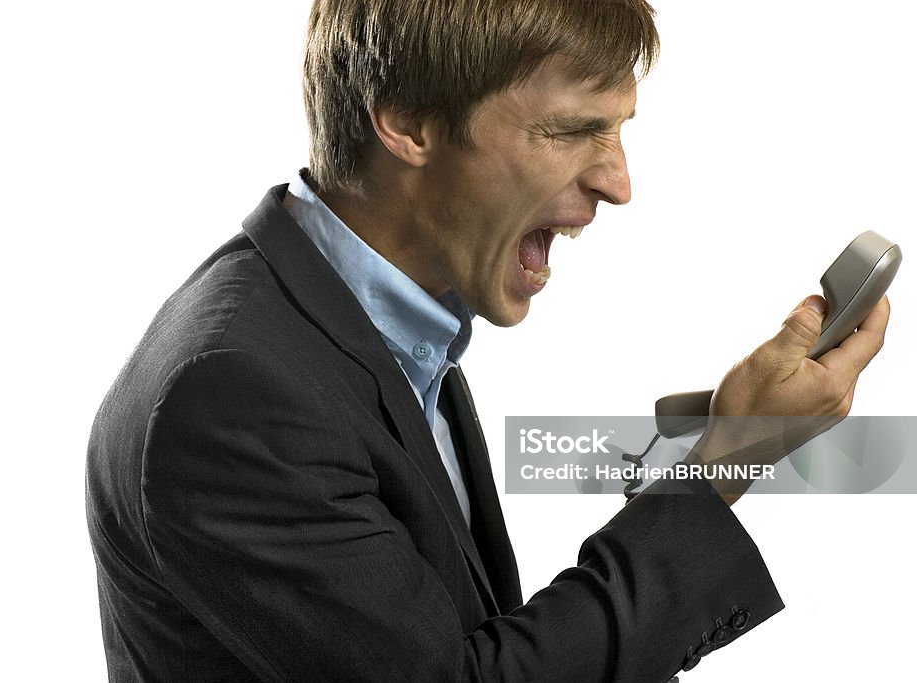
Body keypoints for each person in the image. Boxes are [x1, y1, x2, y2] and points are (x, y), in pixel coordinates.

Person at [85, 0, 890, 680]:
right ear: (408, 120)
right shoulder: (237, 394)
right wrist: (723, 461)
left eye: (618, 131)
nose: (619, 182)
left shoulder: (382, 324)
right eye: (573, 131)